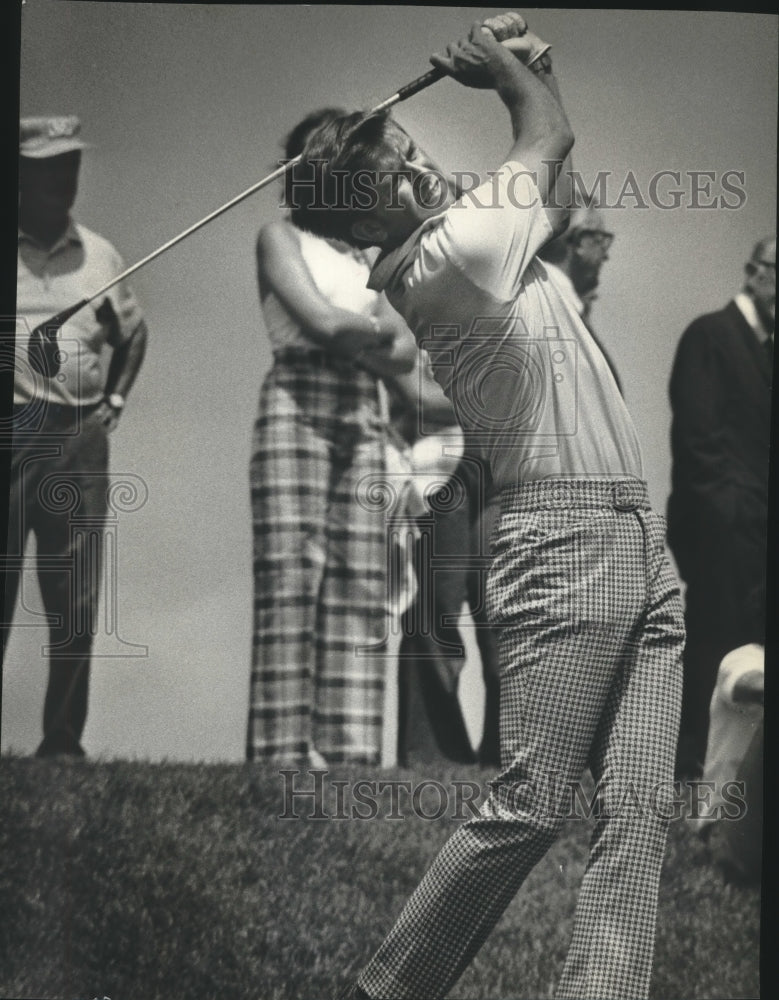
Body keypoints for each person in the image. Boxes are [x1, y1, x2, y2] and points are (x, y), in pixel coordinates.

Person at [290, 13, 685, 1000]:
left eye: (412, 152)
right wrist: (505, 71)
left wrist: (535, 67)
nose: (421, 170)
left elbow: (560, 181)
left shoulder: (472, 236)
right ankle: (388, 990)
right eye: (394, 175)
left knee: (638, 807)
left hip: (636, 530)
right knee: (531, 804)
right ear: (363, 219)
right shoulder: (448, 258)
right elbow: (541, 137)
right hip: (562, 539)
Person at [246, 109, 416, 768]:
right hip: (296, 401)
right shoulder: (279, 238)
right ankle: (280, 755)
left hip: (359, 404)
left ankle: (348, 756)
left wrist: (363, 332)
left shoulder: (361, 255)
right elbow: (319, 324)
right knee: (291, 575)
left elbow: (401, 352)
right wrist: (366, 330)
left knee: (359, 578)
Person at [6, 116, 148, 757]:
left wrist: (115, 398)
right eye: (47, 169)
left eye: (70, 168)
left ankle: (62, 740)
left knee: (75, 598)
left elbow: (133, 333)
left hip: (77, 440)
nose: (62, 182)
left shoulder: (100, 255)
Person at [667, 235, 774, 779]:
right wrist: (728, 517)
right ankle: (690, 771)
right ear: (754, 272)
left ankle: (727, 782)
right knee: (714, 645)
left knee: (745, 659)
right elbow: (698, 440)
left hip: (753, 536)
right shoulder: (711, 335)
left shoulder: (765, 349)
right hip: (722, 532)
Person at [536, 201, 622, 391]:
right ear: (582, 240)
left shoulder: (543, 299)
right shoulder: (553, 307)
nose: (605, 256)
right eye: (601, 240)